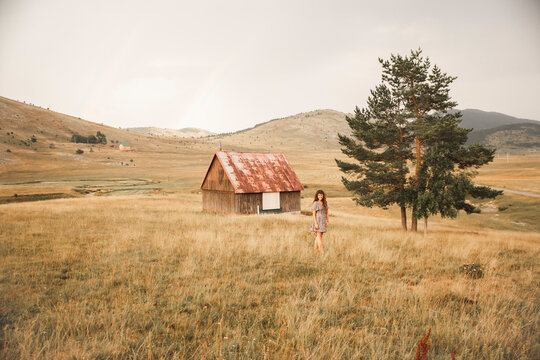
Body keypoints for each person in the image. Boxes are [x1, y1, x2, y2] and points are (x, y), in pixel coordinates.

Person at [310, 189, 329, 253]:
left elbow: (327, 212)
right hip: (317, 221)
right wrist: (315, 223)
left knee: (319, 236)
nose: (320, 196)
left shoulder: (325, 203)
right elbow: (313, 214)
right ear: (317, 196)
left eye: (321, 195)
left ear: (323, 196)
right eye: (319, 195)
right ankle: (322, 251)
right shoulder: (316, 203)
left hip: (323, 221)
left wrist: (327, 221)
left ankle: (315, 251)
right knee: (318, 236)